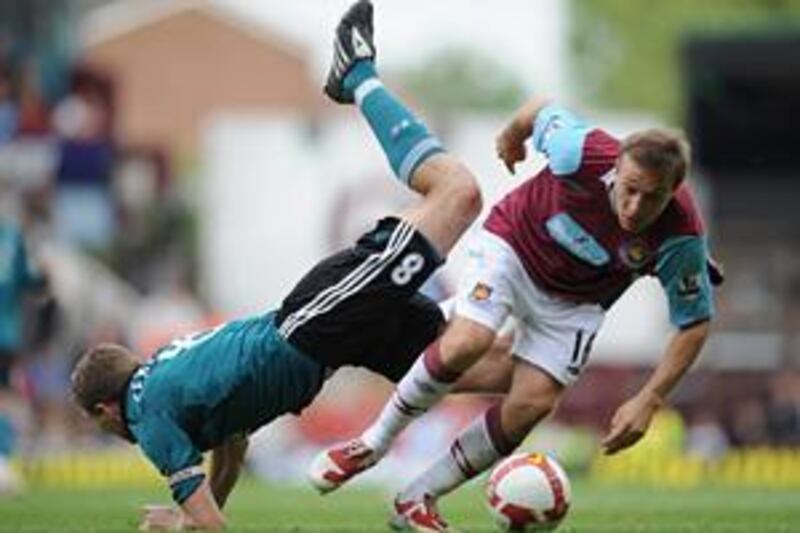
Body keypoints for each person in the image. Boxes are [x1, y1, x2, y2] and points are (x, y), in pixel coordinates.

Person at [70, 1, 487, 529]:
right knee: (478, 370)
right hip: (325, 341)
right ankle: (542, 334)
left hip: (315, 322)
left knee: (458, 194)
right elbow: (233, 442)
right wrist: (200, 511)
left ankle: (356, 73)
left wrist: (179, 522)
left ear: (105, 411)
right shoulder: (163, 386)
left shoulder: (147, 419)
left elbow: (211, 526)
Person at [309, 96, 722, 529]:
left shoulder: (681, 238)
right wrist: (511, 138)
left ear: (673, 193)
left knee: (533, 402)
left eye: (652, 198)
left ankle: (416, 499)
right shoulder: (578, 149)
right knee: (469, 341)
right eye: (630, 188)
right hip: (513, 248)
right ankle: (371, 445)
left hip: (575, 303)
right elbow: (539, 109)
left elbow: (694, 325)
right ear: (616, 167)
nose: (635, 207)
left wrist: (650, 398)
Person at [0, 218, 48, 494]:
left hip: (5, 333)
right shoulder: (11, 236)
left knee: (5, 395)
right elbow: (30, 280)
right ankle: (6, 456)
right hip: (6, 333)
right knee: (5, 395)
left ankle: (5, 457)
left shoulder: (12, 236)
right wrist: (44, 277)